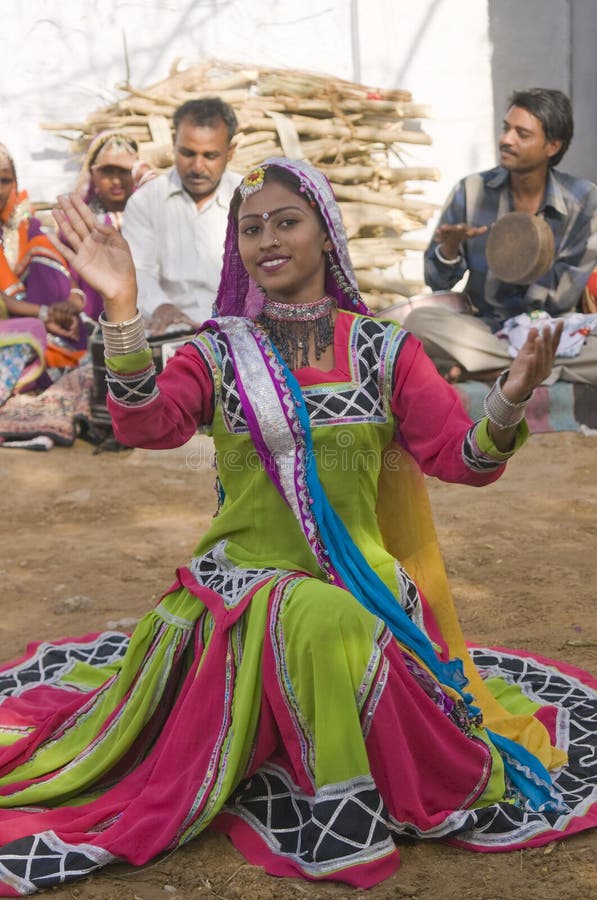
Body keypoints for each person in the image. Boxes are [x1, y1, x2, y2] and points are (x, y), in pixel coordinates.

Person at [0, 157, 593, 896]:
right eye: (250, 229)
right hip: (240, 588)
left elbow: (463, 459)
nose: (267, 240)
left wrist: (506, 397)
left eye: (286, 222)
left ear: (326, 233)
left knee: (331, 613)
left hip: (366, 589)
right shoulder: (220, 351)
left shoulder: (384, 350)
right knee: (314, 615)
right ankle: (342, 817)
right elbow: (146, 425)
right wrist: (122, 305)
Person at [407, 88, 597, 384]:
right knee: (419, 322)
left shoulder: (584, 201)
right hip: (486, 329)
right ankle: (531, 370)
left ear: (552, 146)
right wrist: (449, 249)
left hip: (553, 333)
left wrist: (518, 263)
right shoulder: (471, 191)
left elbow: (562, 296)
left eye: (522, 133)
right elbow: (436, 282)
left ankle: (497, 369)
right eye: (506, 128)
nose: (506, 140)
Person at [121, 96, 241, 333]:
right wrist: (160, 307)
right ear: (173, 145)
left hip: (238, 325)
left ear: (230, 152)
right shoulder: (146, 201)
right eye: (188, 153)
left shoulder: (249, 198)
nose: (197, 167)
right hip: (168, 327)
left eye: (210, 156)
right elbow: (138, 271)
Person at [0, 142, 84, 401]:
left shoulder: (25, 226)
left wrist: (69, 305)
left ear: (15, 183)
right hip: (14, 326)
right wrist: (43, 315)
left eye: (3, 180)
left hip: (26, 324)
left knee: (41, 248)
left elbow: (68, 283)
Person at [69, 130, 154, 322]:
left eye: (124, 171)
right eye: (107, 171)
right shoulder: (79, 221)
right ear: (92, 172)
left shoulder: (152, 213)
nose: (116, 180)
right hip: (96, 321)